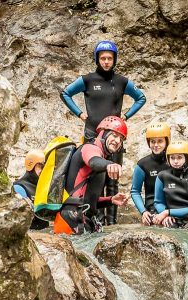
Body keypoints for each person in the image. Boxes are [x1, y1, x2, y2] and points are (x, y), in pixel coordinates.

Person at [60, 40, 146, 225]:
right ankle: (94, 219)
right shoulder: (88, 79)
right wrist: (80, 114)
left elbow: (141, 98)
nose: (106, 61)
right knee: (95, 175)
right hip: (92, 135)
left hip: (115, 137)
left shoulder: (121, 81)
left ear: (114, 60)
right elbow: (65, 93)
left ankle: (111, 223)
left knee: (113, 180)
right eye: (103, 58)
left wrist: (126, 116)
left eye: (109, 58)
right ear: (97, 59)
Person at [54, 116, 129, 235]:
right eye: (114, 135)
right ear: (103, 133)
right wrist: (111, 164)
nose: (118, 141)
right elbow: (93, 161)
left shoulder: (102, 159)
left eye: (121, 139)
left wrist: (111, 200)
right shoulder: (89, 148)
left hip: (81, 220)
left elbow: (89, 200)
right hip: (70, 220)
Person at [131, 122, 188, 225]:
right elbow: (135, 191)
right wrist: (143, 211)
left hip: (175, 208)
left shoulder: (175, 160)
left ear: (167, 141)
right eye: (152, 141)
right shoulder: (143, 164)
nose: (156, 145)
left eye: (160, 141)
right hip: (154, 208)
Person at [12, 149, 49, 229]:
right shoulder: (19, 187)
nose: (43, 171)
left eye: (45, 167)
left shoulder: (42, 187)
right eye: (40, 166)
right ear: (30, 165)